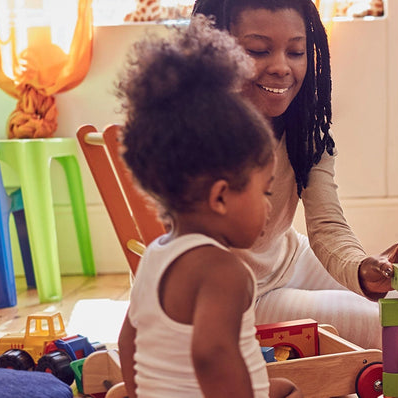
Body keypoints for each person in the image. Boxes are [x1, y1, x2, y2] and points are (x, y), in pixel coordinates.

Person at [190, 0, 398, 349]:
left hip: (292, 257)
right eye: (258, 50)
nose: (281, 67)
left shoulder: (305, 130)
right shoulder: (192, 140)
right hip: (242, 299)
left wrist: (365, 269)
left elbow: (326, 225)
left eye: (296, 51)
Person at [115, 19, 300, 397]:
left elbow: (128, 341)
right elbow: (213, 355)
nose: (269, 208)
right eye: (264, 193)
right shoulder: (223, 270)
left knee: (280, 385)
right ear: (220, 197)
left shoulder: (156, 254)